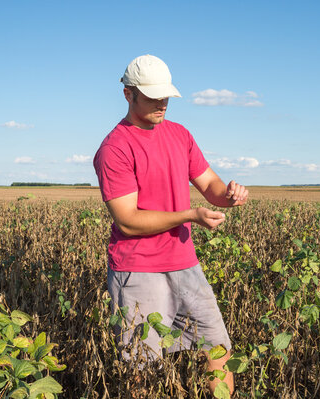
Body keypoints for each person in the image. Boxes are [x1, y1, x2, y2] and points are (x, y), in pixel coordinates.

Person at [93, 54, 248, 396]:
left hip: (184, 264)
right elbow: (129, 222)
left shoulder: (180, 135)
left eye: (165, 95)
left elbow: (211, 187)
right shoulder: (115, 148)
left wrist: (230, 195)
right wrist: (190, 215)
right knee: (142, 365)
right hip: (137, 270)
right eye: (151, 95)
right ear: (128, 94)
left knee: (218, 349)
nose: (162, 103)